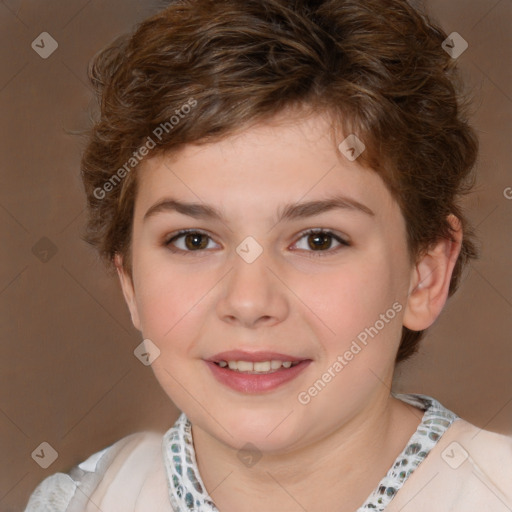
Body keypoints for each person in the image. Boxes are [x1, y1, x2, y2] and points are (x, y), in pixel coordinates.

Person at [24, 0, 512, 510]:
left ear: (425, 275)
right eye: (194, 240)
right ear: (130, 283)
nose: (250, 302)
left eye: (319, 239)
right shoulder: (78, 501)